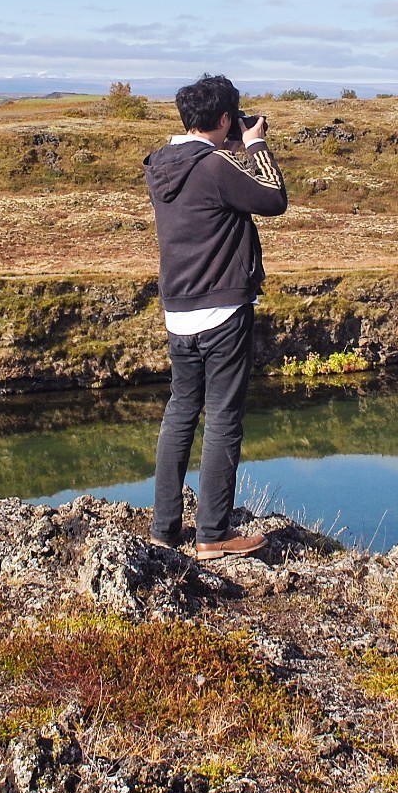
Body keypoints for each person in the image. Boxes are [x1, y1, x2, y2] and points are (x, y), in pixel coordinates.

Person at [142, 74, 288, 560]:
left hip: (178, 312)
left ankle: (164, 529)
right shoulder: (215, 167)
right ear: (225, 119)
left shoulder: (159, 164)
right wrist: (257, 143)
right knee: (224, 418)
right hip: (224, 310)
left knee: (180, 412)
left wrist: (232, 139)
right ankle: (212, 534)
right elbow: (273, 200)